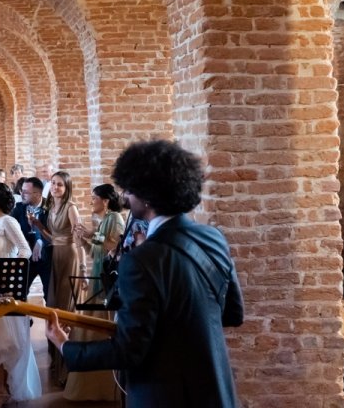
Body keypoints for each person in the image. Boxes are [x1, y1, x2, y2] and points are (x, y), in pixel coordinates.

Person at [46, 140, 244, 408]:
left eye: (129, 189)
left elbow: (129, 349)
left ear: (147, 195)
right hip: (216, 389)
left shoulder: (142, 259)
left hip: (165, 394)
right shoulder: (213, 237)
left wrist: (65, 345)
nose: (125, 195)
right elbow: (232, 313)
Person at [0, 183, 41, 404]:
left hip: (4, 289)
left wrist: (8, 272)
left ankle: (7, 388)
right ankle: (1, 387)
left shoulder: (8, 221)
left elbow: (24, 249)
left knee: (7, 340)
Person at [63, 183, 126, 402]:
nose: (91, 201)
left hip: (108, 285)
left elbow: (115, 246)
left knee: (101, 332)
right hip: (97, 279)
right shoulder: (103, 220)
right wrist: (83, 241)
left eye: (94, 197)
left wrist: (91, 234)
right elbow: (97, 253)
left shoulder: (115, 218)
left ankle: (106, 388)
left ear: (106, 201)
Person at [28, 170, 85, 386]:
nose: (55, 187)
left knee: (65, 309)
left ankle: (67, 369)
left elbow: (77, 239)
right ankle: (55, 361)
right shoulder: (51, 207)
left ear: (67, 187)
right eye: (53, 183)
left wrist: (83, 267)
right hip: (55, 256)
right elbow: (52, 238)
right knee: (51, 306)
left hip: (69, 257)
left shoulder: (71, 208)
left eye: (60, 184)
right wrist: (38, 226)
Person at [10, 177, 52, 293]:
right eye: (21, 191)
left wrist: (40, 242)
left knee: (49, 294)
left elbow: (55, 233)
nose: (21, 194)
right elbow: (12, 230)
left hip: (47, 258)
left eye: (26, 192)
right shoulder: (19, 208)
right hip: (26, 259)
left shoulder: (50, 208)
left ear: (38, 194)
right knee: (19, 291)